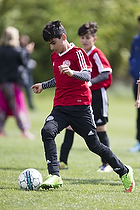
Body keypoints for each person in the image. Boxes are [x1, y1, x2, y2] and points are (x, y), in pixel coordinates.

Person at [31, 20, 135, 192]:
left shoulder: (78, 53)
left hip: (81, 108)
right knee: (47, 131)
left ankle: (124, 171)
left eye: (53, 43)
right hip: (61, 107)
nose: (51, 48)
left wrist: (73, 72)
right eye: (49, 44)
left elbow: (87, 75)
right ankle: (55, 175)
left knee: (94, 145)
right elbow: (59, 79)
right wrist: (44, 85)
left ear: (63, 37)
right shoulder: (54, 57)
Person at [59, 21, 113, 172]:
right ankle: (62, 161)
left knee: (100, 128)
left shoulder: (97, 54)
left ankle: (107, 164)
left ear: (94, 39)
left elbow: (106, 73)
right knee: (70, 125)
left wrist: (90, 82)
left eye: (87, 37)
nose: (84, 40)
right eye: (82, 37)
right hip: (82, 96)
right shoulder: (79, 53)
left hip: (98, 94)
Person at [0, 26, 34, 140]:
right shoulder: (18, 51)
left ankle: (1, 130)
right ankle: (25, 130)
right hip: (14, 83)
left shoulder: (0, 50)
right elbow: (25, 63)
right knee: (18, 107)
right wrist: (28, 52)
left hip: (2, 83)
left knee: (2, 107)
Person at [129, 15, 140, 152]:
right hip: (137, 81)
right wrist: (133, 71)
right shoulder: (136, 40)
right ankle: (138, 142)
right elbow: (132, 58)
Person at [20, 35, 36, 110]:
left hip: (27, 73)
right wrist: (28, 52)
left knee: (29, 91)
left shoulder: (26, 49)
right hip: (20, 74)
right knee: (20, 91)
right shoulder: (19, 49)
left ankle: (30, 106)